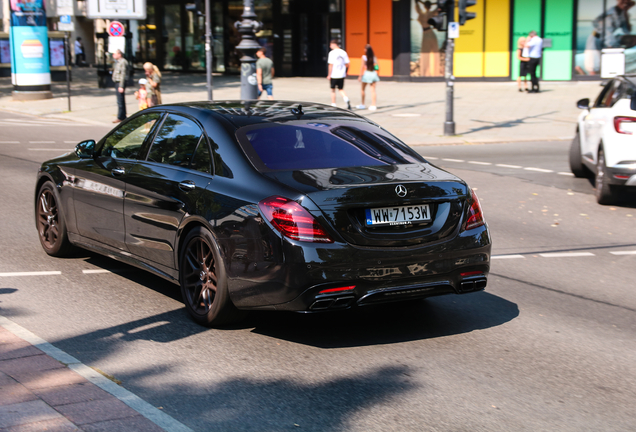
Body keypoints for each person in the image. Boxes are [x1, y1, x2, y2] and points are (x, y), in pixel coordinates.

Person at [583, 0, 635, 75]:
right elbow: (607, 30)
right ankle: (593, 77)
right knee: (593, 62)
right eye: (623, 2)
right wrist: (610, 45)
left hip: (608, 39)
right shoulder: (609, 13)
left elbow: (627, 30)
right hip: (597, 37)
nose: (625, 4)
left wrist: (625, 11)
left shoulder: (622, 13)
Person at [415, 0, 441, 77]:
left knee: (431, 54)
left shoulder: (428, 14)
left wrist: (417, 3)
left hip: (429, 34)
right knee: (426, 54)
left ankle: (433, 73)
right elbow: (419, 10)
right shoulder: (425, 14)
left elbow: (419, 9)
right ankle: (426, 73)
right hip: (427, 34)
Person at [327, 39, 351, 109]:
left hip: (334, 74)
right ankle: (346, 99)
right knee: (341, 88)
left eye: (330, 45)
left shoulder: (332, 53)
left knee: (333, 90)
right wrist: (346, 72)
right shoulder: (343, 52)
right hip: (341, 74)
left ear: (334, 44)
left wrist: (329, 74)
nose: (330, 46)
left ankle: (333, 104)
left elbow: (330, 65)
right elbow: (348, 64)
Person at [357, 44, 380, 110]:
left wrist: (360, 76)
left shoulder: (364, 57)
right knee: (373, 90)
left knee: (363, 89)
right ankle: (373, 105)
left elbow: (362, 67)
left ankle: (363, 104)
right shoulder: (374, 57)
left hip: (367, 73)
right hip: (373, 73)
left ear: (366, 50)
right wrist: (377, 73)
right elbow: (377, 67)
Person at [112, 49, 128, 123]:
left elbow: (123, 74)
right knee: (119, 100)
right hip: (117, 82)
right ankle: (122, 115)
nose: (113, 55)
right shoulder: (118, 62)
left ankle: (121, 116)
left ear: (119, 54)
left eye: (115, 54)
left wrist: (121, 86)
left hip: (120, 83)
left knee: (120, 100)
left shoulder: (123, 62)